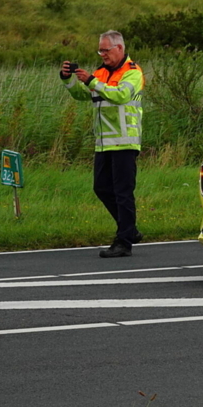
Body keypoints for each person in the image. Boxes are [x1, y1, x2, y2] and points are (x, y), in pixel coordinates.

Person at [60, 30, 145, 258]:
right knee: (101, 188)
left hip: (125, 143)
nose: (102, 54)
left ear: (119, 48)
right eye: (100, 50)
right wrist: (67, 78)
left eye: (105, 50)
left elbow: (120, 96)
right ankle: (130, 229)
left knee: (123, 193)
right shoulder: (99, 72)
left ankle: (124, 242)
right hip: (104, 143)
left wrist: (92, 81)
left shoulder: (133, 73)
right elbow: (82, 95)